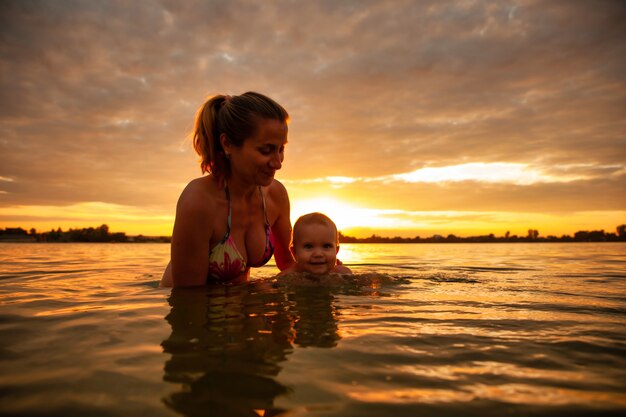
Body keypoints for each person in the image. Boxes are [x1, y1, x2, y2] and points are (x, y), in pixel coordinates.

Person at [161, 92, 294, 287]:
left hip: (237, 309)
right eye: (265, 150)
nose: (277, 163)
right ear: (227, 144)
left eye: (281, 149)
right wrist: (260, 291)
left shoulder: (276, 195)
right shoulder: (198, 202)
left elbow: (289, 265)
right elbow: (188, 301)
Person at [280, 212, 352, 276]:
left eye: (326, 246)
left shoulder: (342, 274)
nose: (318, 254)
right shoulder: (287, 277)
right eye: (308, 246)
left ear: (336, 251)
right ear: (294, 253)